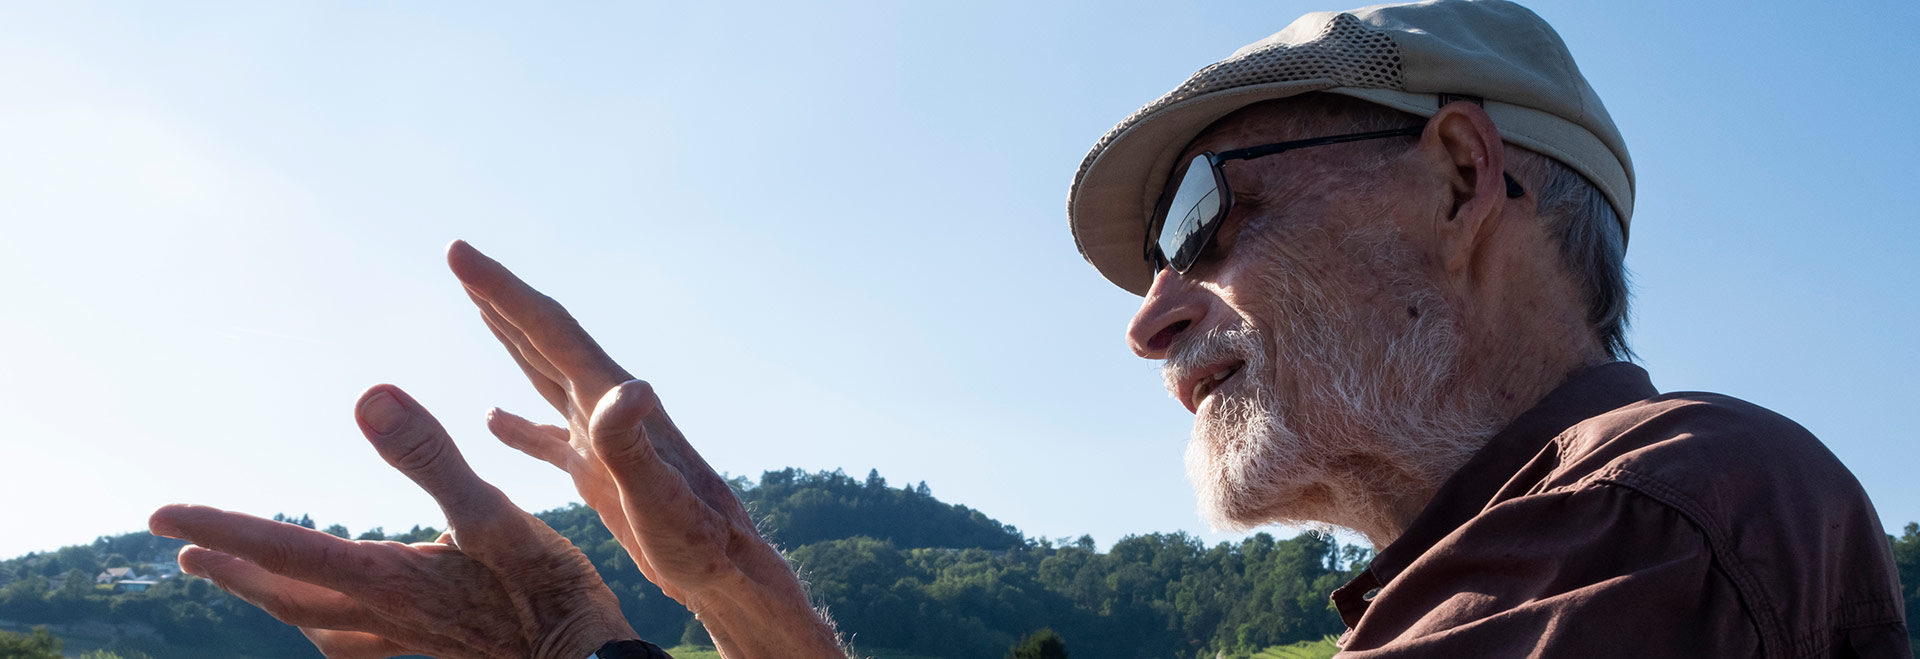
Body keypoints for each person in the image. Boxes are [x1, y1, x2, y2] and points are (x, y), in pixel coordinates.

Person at [151, 0, 1909, 657]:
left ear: (1461, 180)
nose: (1151, 323)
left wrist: (713, 614)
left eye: (1215, 221)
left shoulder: (1685, 500)